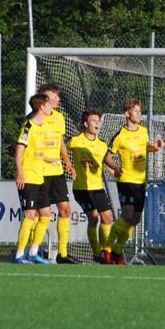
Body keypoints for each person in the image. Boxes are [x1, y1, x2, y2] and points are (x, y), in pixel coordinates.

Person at [102, 98, 165, 265]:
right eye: (135, 111)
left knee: (136, 218)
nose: (139, 113)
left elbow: (145, 147)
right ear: (127, 113)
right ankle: (106, 249)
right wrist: (115, 168)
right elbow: (107, 158)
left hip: (140, 181)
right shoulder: (120, 136)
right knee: (127, 214)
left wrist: (154, 147)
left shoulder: (143, 131)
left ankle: (117, 251)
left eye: (140, 111)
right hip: (126, 181)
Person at [67, 109, 121, 262]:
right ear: (86, 124)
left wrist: (116, 172)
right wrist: (65, 163)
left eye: (98, 121)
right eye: (93, 120)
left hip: (97, 188)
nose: (97, 123)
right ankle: (97, 253)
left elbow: (106, 165)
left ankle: (105, 252)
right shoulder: (76, 140)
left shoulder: (102, 144)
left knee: (108, 218)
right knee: (93, 217)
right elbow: (60, 149)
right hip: (82, 188)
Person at [37, 84, 79, 264]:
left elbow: (61, 141)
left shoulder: (59, 117)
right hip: (40, 171)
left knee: (66, 209)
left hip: (57, 171)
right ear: (44, 97)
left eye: (58, 96)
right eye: (54, 95)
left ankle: (62, 253)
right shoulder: (36, 118)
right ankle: (32, 250)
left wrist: (67, 162)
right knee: (39, 214)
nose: (58, 99)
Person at [14, 94, 56, 264]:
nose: (52, 106)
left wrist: (47, 159)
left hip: (40, 177)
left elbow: (34, 152)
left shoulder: (41, 127)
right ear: (42, 107)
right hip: (29, 177)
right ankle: (19, 255)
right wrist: (20, 173)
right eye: (49, 104)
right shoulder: (28, 127)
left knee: (46, 215)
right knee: (30, 215)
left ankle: (33, 252)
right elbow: (18, 152)